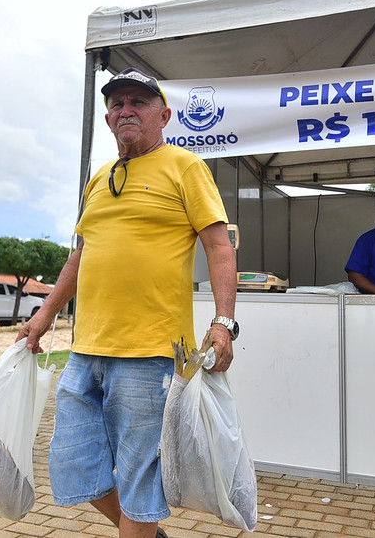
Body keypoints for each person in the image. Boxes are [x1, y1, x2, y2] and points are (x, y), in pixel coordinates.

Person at [17, 67, 238, 538]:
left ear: (164, 115)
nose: (126, 110)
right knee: (75, 465)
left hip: (151, 354)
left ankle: (139, 530)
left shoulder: (185, 166)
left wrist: (224, 322)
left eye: (138, 102)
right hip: (86, 349)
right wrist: (44, 314)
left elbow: (219, 246)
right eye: (117, 104)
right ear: (107, 118)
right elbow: (80, 255)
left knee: (140, 478)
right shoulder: (99, 180)